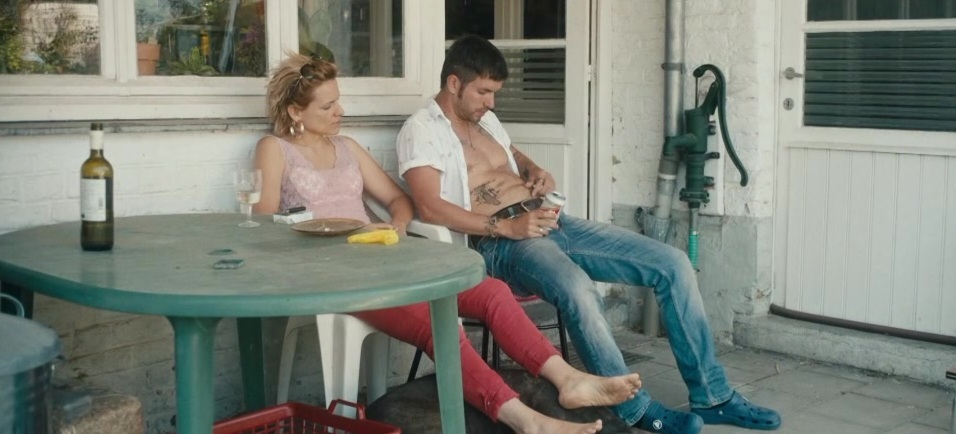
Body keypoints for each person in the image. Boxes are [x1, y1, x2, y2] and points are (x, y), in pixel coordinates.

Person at [397, 35, 783, 434]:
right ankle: (632, 410)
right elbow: (430, 207)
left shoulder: (485, 120)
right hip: (502, 243)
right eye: (483, 92)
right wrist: (506, 226)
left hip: (552, 221)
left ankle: (713, 396)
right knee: (579, 289)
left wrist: (534, 171)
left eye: (495, 93)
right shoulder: (421, 130)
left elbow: (512, 156)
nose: (491, 102)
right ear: (454, 84)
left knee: (672, 263)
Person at [253, 52, 643, 434]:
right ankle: (526, 420)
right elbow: (265, 224)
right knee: (435, 324)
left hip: (381, 259)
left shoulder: (346, 147)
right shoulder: (275, 150)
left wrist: (397, 226)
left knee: (492, 293)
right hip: (338, 277)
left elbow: (399, 200)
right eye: (328, 106)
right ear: (296, 112)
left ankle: (568, 379)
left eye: (338, 101)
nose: (340, 111)